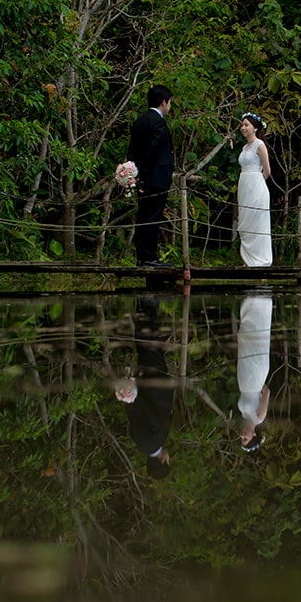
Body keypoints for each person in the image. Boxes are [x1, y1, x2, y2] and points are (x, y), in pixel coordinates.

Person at [124, 296, 174, 478]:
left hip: (155, 382)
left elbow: (150, 412)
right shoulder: (138, 441)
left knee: (152, 343)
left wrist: (138, 393)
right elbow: (132, 414)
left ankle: (149, 303)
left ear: (164, 461)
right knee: (143, 345)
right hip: (144, 381)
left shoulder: (158, 439)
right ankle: (141, 305)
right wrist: (131, 391)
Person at [126, 84, 175, 268]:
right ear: (164, 102)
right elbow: (152, 150)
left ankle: (142, 256)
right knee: (152, 217)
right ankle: (149, 257)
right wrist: (144, 169)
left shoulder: (140, 120)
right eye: (169, 102)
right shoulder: (158, 122)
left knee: (144, 216)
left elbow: (133, 150)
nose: (170, 106)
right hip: (156, 177)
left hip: (142, 178)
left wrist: (134, 172)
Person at [236, 293, 273, 451]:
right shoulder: (259, 417)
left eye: (241, 439)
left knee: (244, 338)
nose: (242, 436)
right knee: (255, 338)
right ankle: (260, 302)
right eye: (246, 439)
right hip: (255, 376)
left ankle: (249, 302)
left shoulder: (243, 414)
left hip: (243, 379)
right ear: (254, 435)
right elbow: (267, 391)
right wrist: (258, 378)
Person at [236, 112, 273, 267]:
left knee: (257, 222)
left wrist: (257, 184)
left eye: (246, 125)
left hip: (256, 186)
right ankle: (248, 259)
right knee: (245, 222)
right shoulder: (245, 147)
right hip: (244, 185)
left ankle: (260, 260)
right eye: (242, 125)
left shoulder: (260, 145)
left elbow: (267, 170)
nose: (243, 128)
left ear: (255, 128)